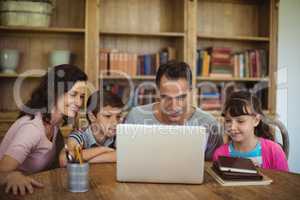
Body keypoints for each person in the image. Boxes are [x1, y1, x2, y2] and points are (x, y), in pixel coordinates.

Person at [0, 64, 87, 195]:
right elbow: (2, 170)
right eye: (73, 94)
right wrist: (12, 176)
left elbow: (59, 160)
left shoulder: (54, 123)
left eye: (81, 96)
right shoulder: (32, 129)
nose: (79, 103)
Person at [125, 61, 223, 160]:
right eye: (166, 97)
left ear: (191, 92)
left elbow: (213, 168)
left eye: (181, 97)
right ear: (157, 92)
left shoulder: (209, 123)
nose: (174, 107)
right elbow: (123, 158)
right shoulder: (136, 117)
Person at [213, 91, 289, 171]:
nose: (232, 127)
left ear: (256, 120)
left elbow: (284, 181)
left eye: (240, 121)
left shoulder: (274, 151)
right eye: (228, 121)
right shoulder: (219, 154)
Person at [59, 90, 124, 166]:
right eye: (107, 116)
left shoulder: (119, 135)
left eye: (118, 116)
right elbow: (64, 159)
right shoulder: (80, 135)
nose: (115, 123)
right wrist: (103, 149)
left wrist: (83, 159)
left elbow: (125, 156)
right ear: (91, 116)